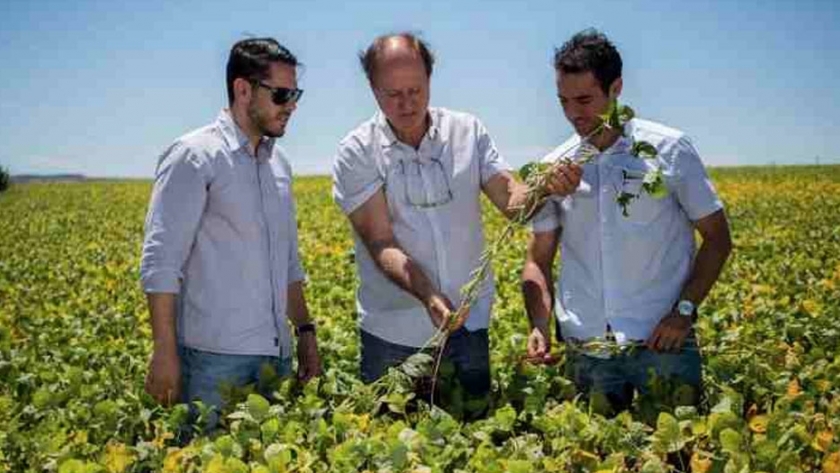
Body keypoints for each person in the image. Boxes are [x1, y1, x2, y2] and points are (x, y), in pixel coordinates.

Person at [332, 33, 577, 417]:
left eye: (415, 90)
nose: (407, 104)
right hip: (392, 333)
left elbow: (511, 200)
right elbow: (380, 242)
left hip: (468, 328)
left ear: (430, 79)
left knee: (473, 430)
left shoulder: (467, 132)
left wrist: (543, 187)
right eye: (392, 94)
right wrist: (429, 295)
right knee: (387, 442)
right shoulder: (356, 151)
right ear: (372, 89)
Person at [522, 29, 732, 413]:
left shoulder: (669, 149)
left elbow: (718, 239)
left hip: (661, 340)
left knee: (677, 455)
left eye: (584, 99)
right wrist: (539, 324)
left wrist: (683, 312)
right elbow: (537, 260)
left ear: (616, 88)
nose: (573, 114)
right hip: (587, 349)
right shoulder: (554, 168)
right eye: (563, 101)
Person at [140, 38, 322, 428]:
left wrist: (305, 332)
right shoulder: (194, 155)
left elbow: (287, 260)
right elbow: (161, 261)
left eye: (296, 94)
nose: (291, 105)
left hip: (276, 360)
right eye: (282, 94)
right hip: (211, 363)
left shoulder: (279, 164)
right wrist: (164, 352)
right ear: (243, 90)